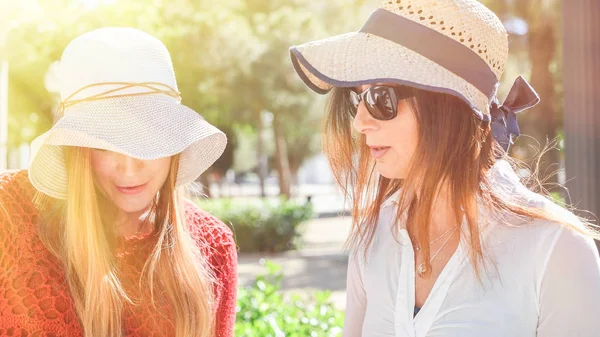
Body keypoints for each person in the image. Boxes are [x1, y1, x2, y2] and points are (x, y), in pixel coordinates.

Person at [289, 0, 600, 336]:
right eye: (356, 98)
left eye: (381, 98)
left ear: (447, 107)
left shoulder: (557, 249)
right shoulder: (373, 235)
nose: (360, 123)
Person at [0, 27, 237, 337]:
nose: (129, 167)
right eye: (105, 144)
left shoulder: (212, 246)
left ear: (173, 142)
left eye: (149, 140)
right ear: (78, 149)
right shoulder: (8, 212)